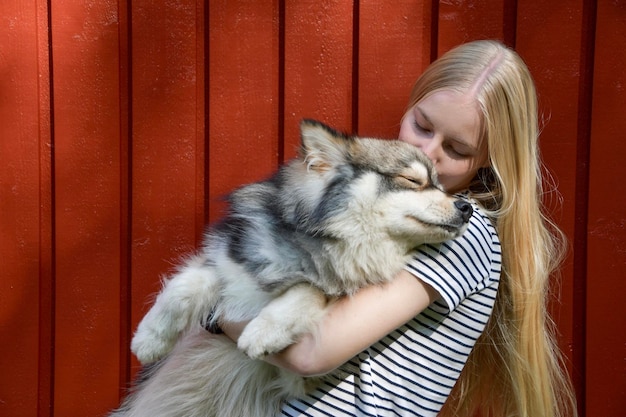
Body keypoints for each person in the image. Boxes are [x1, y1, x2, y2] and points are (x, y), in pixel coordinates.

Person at [222, 40, 578, 417]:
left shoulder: (460, 231)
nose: (427, 153)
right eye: (421, 125)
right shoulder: (388, 212)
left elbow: (311, 350)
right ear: (411, 104)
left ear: (491, 158)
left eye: (456, 149)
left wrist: (213, 311)